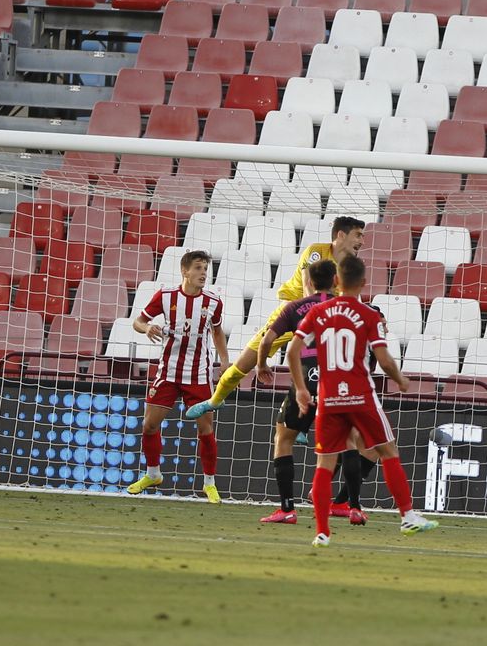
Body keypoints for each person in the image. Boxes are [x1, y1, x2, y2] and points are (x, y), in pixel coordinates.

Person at [288, 255, 438, 548]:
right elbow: (383, 359)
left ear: (336, 281)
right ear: (364, 283)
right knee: (388, 451)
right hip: (360, 396)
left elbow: (293, 351)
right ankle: (407, 516)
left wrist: (300, 389)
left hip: (329, 398)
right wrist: (400, 379)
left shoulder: (318, 313)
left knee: (324, 464)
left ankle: (322, 532)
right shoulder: (369, 315)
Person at [184, 216, 367, 421]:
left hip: (320, 323)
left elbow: (349, 299)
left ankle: (302, 425)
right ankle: (214, 400)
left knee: (324, 370)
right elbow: (309, 286)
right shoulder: (317, 251)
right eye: (358, 235)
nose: (362, 241)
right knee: (244, 364)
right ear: (341, 235)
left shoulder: (352, 266)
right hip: (292, 313)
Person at [254, 259, 376, 525]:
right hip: (339, 380)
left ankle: (287, 508)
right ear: (336, 281)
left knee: (284, 439)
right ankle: (352, 507)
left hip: (308, 378)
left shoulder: (295, 307)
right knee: (350, 442)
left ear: (307, 282)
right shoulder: (347, 309)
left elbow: (267, 341)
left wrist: (262, 364)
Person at [127, 250, 229, 502]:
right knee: (149, 424)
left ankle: (209, 483)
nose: (203, 273)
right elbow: (137, 322)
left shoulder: (213, 302)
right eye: (198, 268)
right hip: (169, 371)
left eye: (205, 268)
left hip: (198, 374)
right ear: (185, 271)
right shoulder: (166, 296)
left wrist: (224, 361)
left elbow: (217, 333)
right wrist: (147, 327)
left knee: (205, 428)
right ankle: (153, 473)